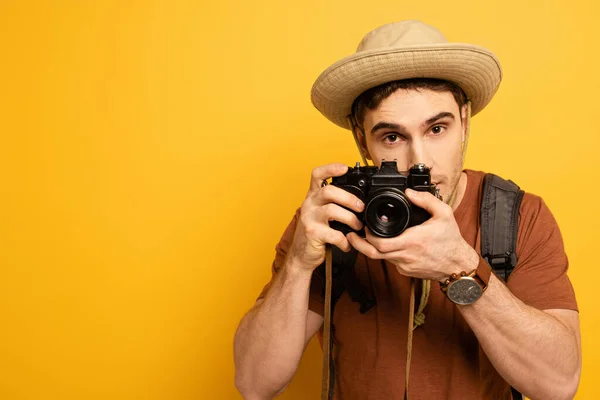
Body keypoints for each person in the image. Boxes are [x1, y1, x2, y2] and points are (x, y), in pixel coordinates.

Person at [233, 20, 581, 400]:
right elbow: (254, 384)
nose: (421, 161)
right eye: (393, 137)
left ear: (464, 122)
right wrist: (299, 263)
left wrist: (460, 268)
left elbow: (558, 385)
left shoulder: (516, 217)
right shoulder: (336, 217)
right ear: (361, 140)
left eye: (437, 129)